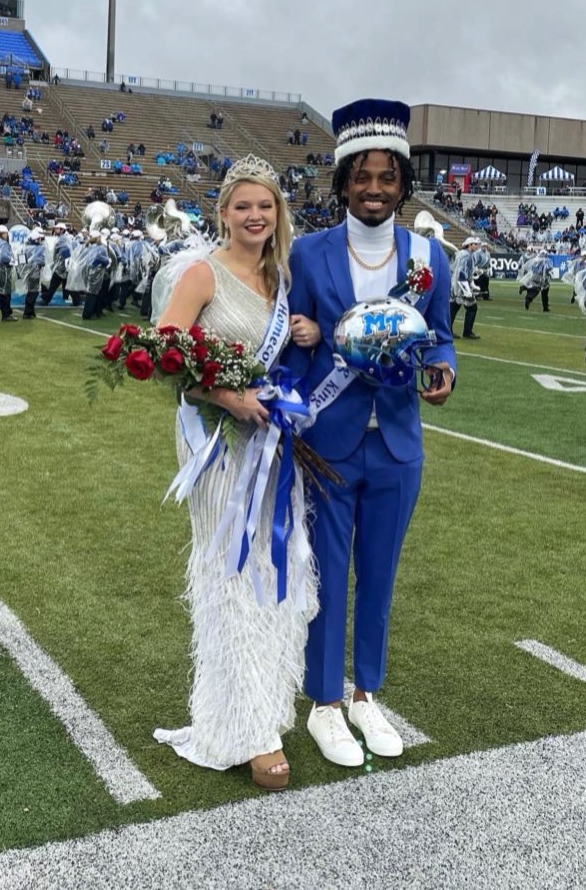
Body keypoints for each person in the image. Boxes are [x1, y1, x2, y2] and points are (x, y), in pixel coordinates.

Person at [284, 98, 456, 767]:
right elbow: (290, 347)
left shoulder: (426, 258)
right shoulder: (309, 253)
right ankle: (324, 702)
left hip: (398, 444)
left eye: (388, 177)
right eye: (363, 176)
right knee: (327, 576)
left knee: (378, 576)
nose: (376, 188)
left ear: (404, 184)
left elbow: (439, 335)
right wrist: (300, 372)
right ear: (343, 182)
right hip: (328, 440)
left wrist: (443, 368)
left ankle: (365, 692)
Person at [152, 154, 321, 789]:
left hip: (271, 444)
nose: (254, 216)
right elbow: (165, 356)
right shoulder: (203, 274)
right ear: (222, 213)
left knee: (273, 572)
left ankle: (254, 709)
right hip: (218, 443)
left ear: (278, 214)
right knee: (228, 573)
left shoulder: (282, 282)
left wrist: (305, 332)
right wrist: (229, 398)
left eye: (265, 205)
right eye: (242, 205)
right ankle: (253, 733)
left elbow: (289, 362)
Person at [450, 236, 481, 338]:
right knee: (472, 307)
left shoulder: (463, 254)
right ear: (469, 245)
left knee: (453, 307)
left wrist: (472, 284)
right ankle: (467, 332)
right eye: (475, 244)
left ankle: (448, 330)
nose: (476, 246)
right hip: (460, 286)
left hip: (456, 285)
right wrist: (467, 290)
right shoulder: (466, 256)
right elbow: (462, 274)